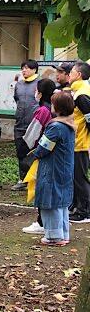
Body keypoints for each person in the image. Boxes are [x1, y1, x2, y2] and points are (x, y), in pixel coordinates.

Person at [33, 92, 75, 246]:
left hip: (52, 168)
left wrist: (34, 154)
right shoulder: (69, 124)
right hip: (65, 168)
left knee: (50, 201)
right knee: (61, 203)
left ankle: (53, 236)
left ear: (58, 107)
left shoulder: (55, 127)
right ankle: (63, 234)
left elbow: (44, 148)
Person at [21, 78, 56, 234]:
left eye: (37, 90)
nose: (35, 92)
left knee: (39, 187)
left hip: (42, 154)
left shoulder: (43, 111)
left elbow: (32, 135)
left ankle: (41, 222)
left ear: (40, 93)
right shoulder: (53, 109)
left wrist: (26, 149)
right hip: (53, 154)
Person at [12, 59, 40, 191]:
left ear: (34, 69)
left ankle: (34, 179)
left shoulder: (39, 84)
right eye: (23, 68)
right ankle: (22, 179)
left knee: (34, 151)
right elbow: (16, 99)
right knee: (20, 151)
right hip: (19, 123)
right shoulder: (19, 84)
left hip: (34, 124)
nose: (24, 70)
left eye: (27, 68)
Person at [68, 61, 90, 223]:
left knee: (80, 178)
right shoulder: (78, 91)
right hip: (76, 142)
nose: (69, 75)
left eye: (71, 72)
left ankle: (84, 212)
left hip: (81, 143)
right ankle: (77, 206)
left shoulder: (82, 95)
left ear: (79, 75)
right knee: (76, 177)